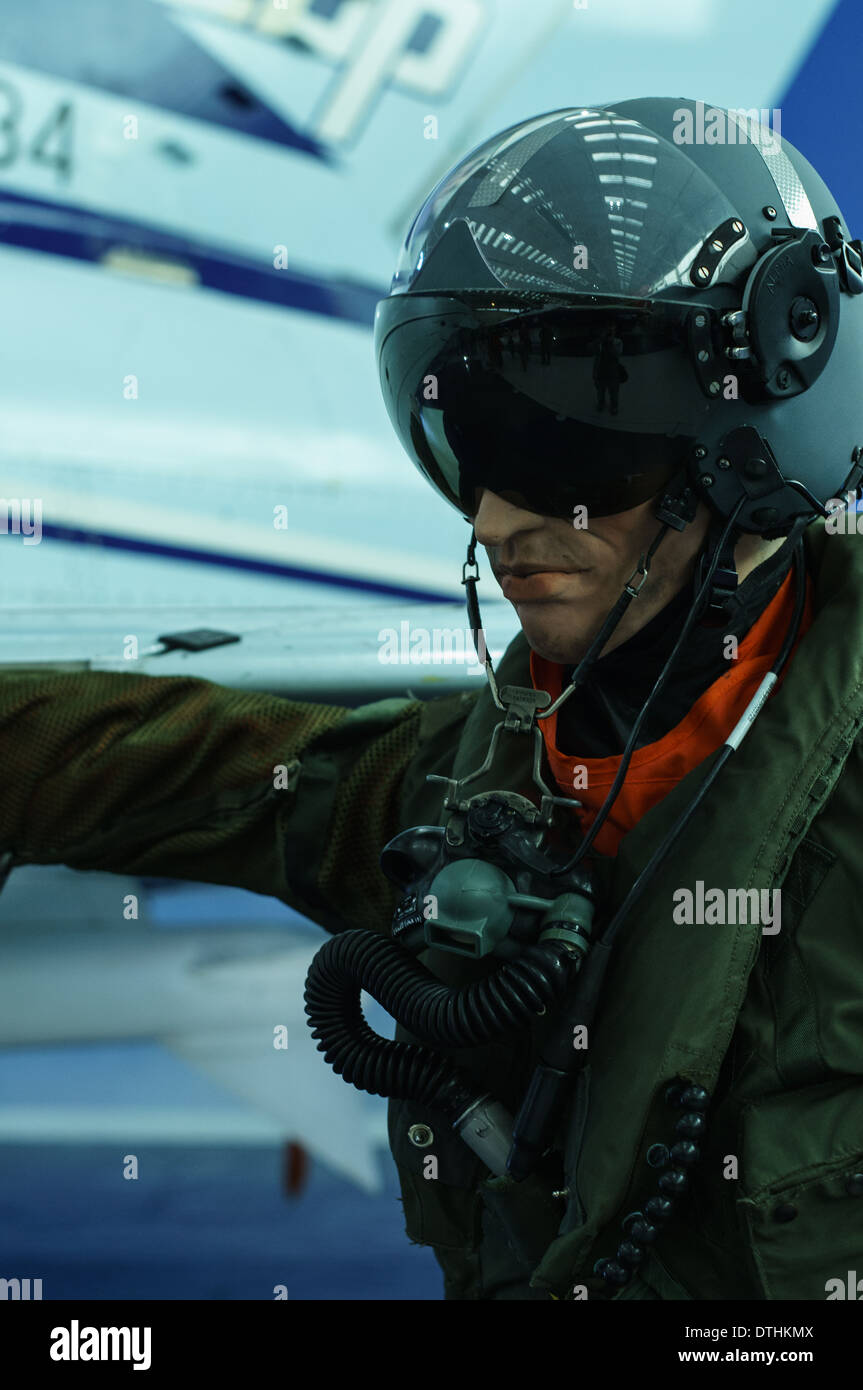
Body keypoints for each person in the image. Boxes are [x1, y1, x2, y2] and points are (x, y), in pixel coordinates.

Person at [3, 97, 863, 1301]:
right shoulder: (475, 793)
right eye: (467, 439)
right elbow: (173, 765)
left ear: (764, 412)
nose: (499, 522)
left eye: (569, 440)